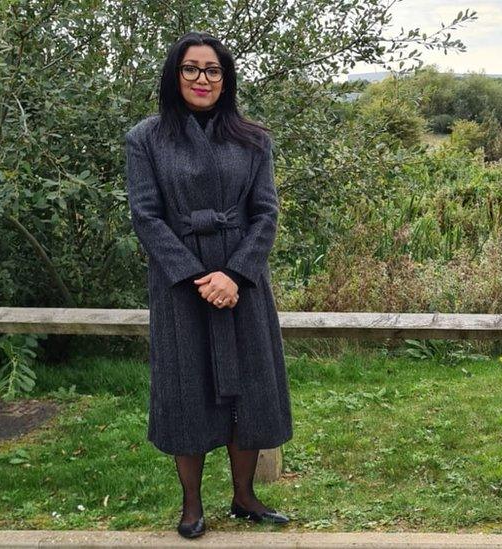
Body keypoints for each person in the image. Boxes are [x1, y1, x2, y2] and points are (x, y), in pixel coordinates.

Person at [125, 31, 292, 539]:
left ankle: (244, 496)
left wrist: (235, 274)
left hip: (243, 281)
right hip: (181, 287)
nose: (202, 78)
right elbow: (146, 216)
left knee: (252, 388)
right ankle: (192, 505)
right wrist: (199, 277)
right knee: (186, 389)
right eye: (192, 68)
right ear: (175, 76)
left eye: (213, 70)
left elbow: (265, 213)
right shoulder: (146, 138)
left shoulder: (253, 138)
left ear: (226, 79)